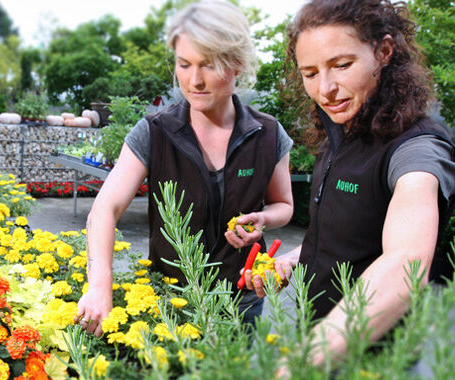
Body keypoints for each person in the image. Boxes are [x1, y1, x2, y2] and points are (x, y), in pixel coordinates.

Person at [242, 0, 455, 367]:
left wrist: (307, 359)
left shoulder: (418, 149)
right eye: (310, 73)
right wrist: (294, 260)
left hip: (371, 366)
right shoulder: (341, 135)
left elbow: (406, 261)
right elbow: (351, 238)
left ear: (383, 51)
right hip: (318, 338)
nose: (326, 89)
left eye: (342, 65)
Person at [76, 0, 295, 336]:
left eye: (208, 65)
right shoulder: (154, 132)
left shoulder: (268, 134)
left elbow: (284, 205)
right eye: (184, 64)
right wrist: (100, 285)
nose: (194, 80)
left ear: (236, 63)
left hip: (241, 300)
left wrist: (264, 219)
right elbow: (105, 209)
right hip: (170, 300)